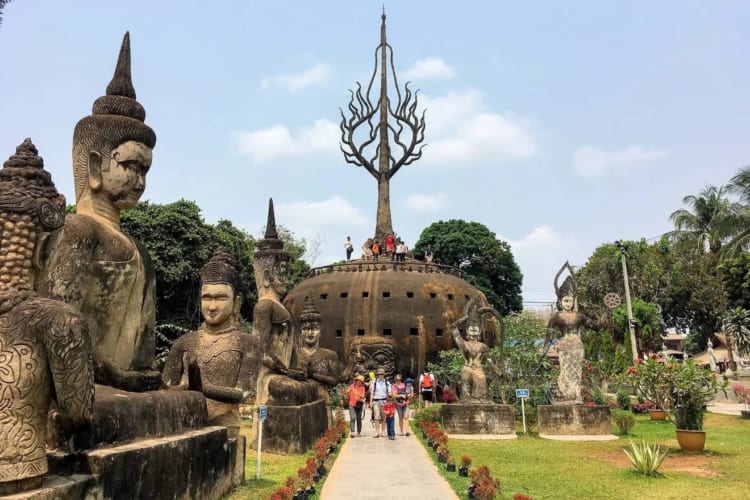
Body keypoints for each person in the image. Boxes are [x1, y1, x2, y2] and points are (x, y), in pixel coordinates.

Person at [37, 33, 161, 392]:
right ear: (94, 168)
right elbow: (56, 332)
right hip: (77, 388)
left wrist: (140, 378)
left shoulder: (142, 252)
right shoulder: (77, 232)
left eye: (145, 171)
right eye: (131, 166)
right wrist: (114, 376)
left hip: (121, 390)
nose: (139, 180)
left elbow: (144, 356)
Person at [369, 367, 391, 438]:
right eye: (379, 374)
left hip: (384, 401)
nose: (380, 375)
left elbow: (389, 394)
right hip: (376, 401)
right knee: (376, 417)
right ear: (377, 375)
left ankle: (383, 431)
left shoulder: (387, 383)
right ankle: (377, 431)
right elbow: (372, 393)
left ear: (384, 375)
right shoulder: (374, 382)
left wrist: (389, 403)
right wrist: (370, 402)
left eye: (382, 374)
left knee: (384, 417)